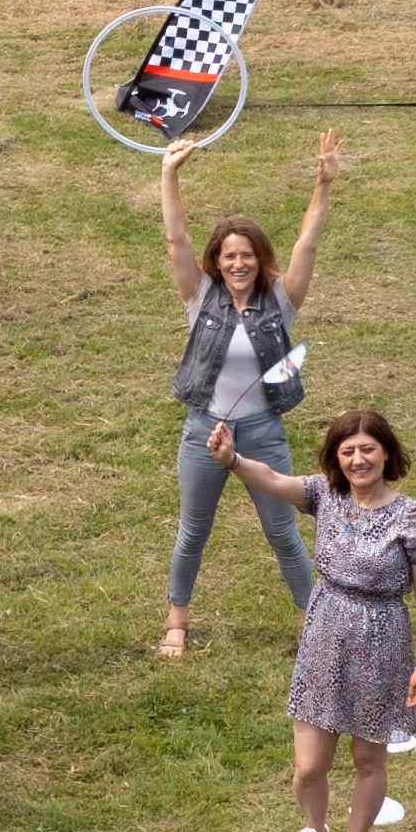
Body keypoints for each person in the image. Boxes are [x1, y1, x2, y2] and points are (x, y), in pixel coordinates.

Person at [198, 404, 416, 832]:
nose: (358, 460)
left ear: (387, 454)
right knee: (309, 766)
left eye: (368, 449)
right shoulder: (325, 494)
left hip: (383, 641)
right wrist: (232, 460)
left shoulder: (414, 516)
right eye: (348, 451)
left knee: (368, 758)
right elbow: (271, 480)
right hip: (324, 636)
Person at [155, 128, 335, 660]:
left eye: (248, 256)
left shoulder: (280, 301)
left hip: (262, 433)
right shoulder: (201, 295)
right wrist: (169, 173)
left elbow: (308, 243)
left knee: (283, 531)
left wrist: (321, 185)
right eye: (229, 256)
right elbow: (176, 241)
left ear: (261, 260)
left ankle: (313, 622)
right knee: (194, 531)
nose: (238, 264)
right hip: (203, 430)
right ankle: (176, 622)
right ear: (218, 260)